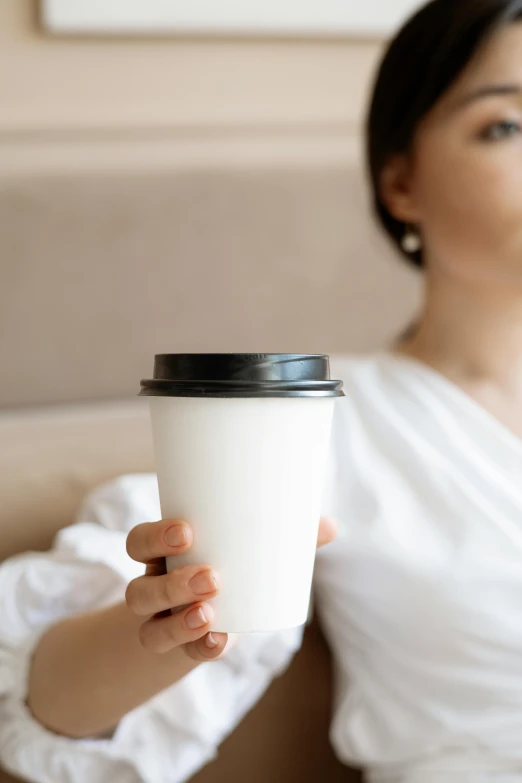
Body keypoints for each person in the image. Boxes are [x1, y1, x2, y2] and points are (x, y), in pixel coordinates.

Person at [2, 0, 522, 780]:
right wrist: (156, 623)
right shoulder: (325, 426)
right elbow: (51, 713)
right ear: (402, 182)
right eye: (505, 126)